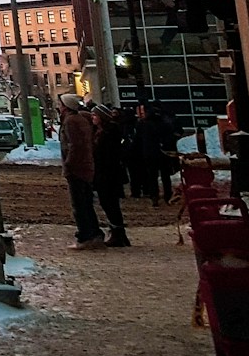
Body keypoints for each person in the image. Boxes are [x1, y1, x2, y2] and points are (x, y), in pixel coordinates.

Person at [58, 92, 105, 249]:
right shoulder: (81, 119)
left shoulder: (71, 121)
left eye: (61, 104)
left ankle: (86, 236)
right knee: (86, 202)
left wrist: (69, 164)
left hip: (77, 169)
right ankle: (94, 233)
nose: (59, 107)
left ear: (66, 107)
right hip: (85, 167)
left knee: (79, 204)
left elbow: (74, 146)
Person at [91, 105, 131, 248]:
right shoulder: (101, 131)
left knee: (110, 203)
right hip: (105, 173)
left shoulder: (109, 132)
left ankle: (118, 233)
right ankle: (117, 233)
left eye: (95, 115)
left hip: (108, 174)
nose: (93, 118)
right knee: (108, 203)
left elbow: (108, 154)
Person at [136, 99, 179, 206]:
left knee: (152, 176)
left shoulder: (144, 124)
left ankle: (154, 196)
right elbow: (171, 136)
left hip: (150, 153)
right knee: (165, 176)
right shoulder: (165, 122)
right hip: (163, 153)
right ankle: (167, 196)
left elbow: (139, 139)